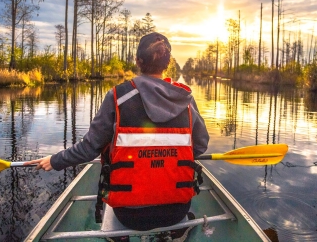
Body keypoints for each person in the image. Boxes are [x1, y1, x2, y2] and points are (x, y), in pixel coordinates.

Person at [25, 32, 209, 232]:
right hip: (176, 210)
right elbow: (199, 146)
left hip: (130, 214)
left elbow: (89, 149)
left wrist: (54, 160)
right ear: (168, 63)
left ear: (138, 61)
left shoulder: (117, 96)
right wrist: (166, 160)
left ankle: (118, 235)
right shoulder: (185, 100)